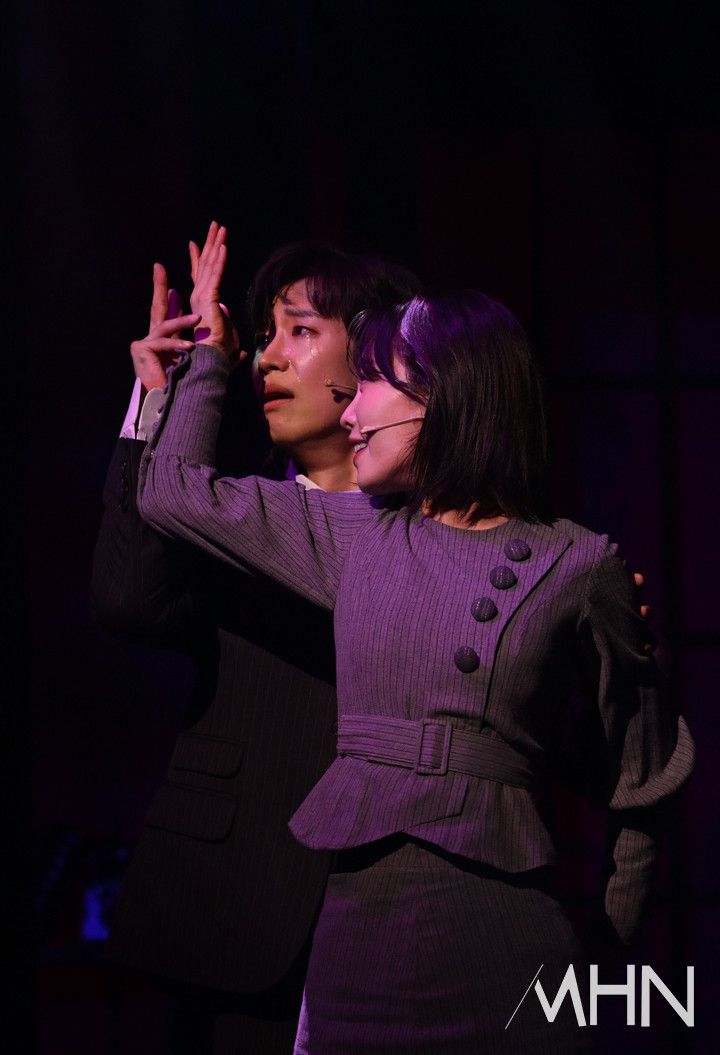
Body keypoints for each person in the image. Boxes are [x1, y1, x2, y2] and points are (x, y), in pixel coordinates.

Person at [134, 224, 694, 1053]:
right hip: (357, 954)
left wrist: (607, 951)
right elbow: (170, 492)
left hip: (511, 954)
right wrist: (207, 363)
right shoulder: (357, 537)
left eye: (368, 383)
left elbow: (643, 779)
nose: (349, 409)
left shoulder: (578, 565)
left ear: (446, 397)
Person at [91, 232, 421, 1053]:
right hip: (235, 912)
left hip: (396, 933)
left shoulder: (437, 537)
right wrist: (159, 398)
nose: (265, 358)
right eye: (266, 335)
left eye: (299, 331)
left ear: (377, 358)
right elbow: (126, 599)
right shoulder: (231, 514)